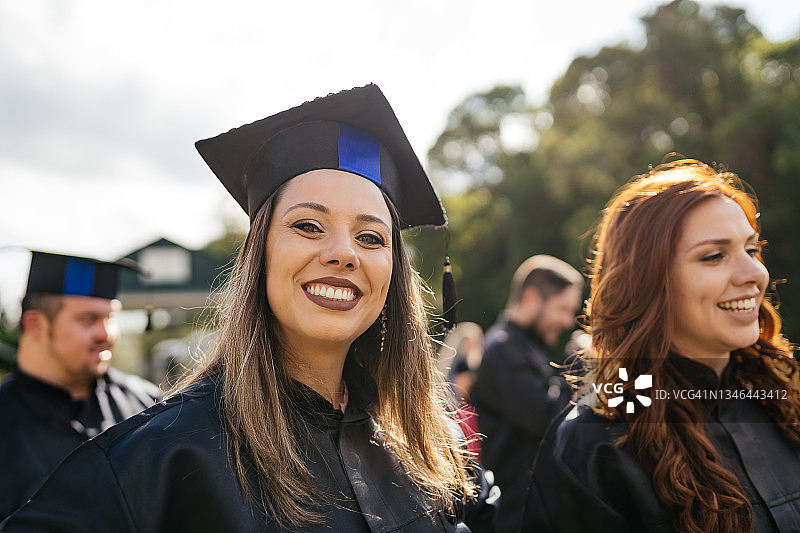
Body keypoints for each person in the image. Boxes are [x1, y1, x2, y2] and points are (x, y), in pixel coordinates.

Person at [1, 84, 495, 532]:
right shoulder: (167, 455)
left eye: (370, 237)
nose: (344, 252)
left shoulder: (428, 444)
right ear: (258, 253)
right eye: (307, 226)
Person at [523, 158, 800, 532]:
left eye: (751, 250)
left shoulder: (781, 398)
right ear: (648, 283)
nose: (754, 274)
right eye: (714, 256)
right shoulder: (596, 445)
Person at [0, 251, 161, 521]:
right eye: (88, 319)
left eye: (110, 317)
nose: (106, 334)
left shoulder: (149, 408)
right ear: (35, 324)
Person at [472, 254, 583, 532]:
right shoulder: (503, 348)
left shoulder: (524, 346)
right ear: (532, 298)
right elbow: (548, 419)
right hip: (517, 516)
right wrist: (579, 362)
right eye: (563, 308)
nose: (568, 321)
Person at [438, 322, 485, 460]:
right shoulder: (461, 364)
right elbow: (461, 388)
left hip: (461, 413)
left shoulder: (452, 364)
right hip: (461, 415)